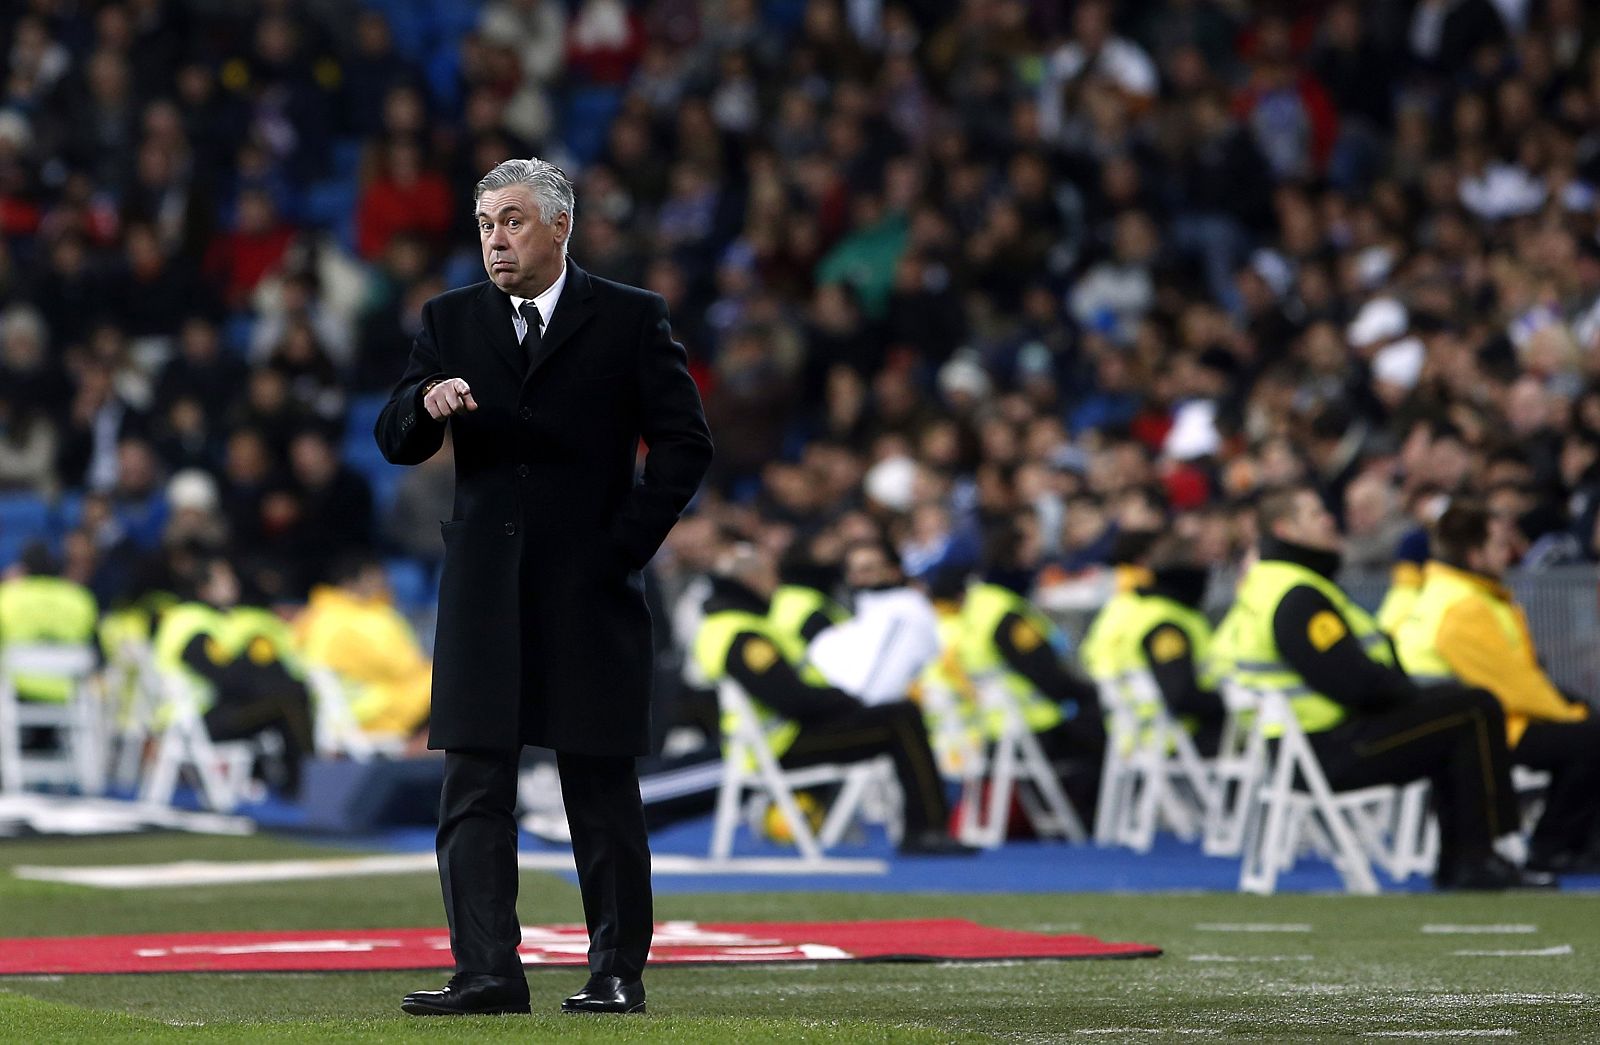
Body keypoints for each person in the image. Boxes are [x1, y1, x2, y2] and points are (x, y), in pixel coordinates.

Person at [376, 158, 713, 1017]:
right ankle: (487, 971)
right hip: (485, 587)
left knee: (598, 785)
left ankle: (615, 972)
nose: (496, 237)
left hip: (589, 585)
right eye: (487, 221)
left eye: (514, 220)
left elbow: (684, 445)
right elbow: (394, 438)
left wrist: (622, 547)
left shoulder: (634, 318)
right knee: (474, 785)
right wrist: (426, 402)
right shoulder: (448, 319)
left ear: (561, 226)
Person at [1210, 486, 1551, 890]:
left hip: (1296, 749)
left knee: (1456, 707)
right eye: (1316, 513)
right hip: (1330, 751)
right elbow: (1353, 684)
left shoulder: (1270, 583)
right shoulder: (1298, 595)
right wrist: (1409, 692)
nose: (1329, 519)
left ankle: (1468, 860)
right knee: (1474, 708)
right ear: (1286, 529)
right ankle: (1481, 857)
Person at [695, 543, 972, 855]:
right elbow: (793, 700)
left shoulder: (735, 623)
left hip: (776, 740)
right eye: (772, 577)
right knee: (901, 718)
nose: (777, 587)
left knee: (899, 716)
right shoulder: (742, 633)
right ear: (753, 580)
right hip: (781, 744)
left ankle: (927, 829)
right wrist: (846, 702)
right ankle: (927, 830)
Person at [1395, 502, 1600, 874]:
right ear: (1475, 556)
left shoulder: (1448, 592)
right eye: (1499, 545)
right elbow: (1511, 685)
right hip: (1487, 725)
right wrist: (1571, 713)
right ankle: (1553, 847)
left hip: (1470, 717)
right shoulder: (1465, 605)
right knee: (1590, 736)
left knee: (1585, 727)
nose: (1509, 553)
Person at [150, 556, 314, 797]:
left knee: (287, 694)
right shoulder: (193, 621)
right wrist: (262, 679)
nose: (233, 584)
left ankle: (287, 781)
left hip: (201, 713)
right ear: (204, 588)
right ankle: (307, 784)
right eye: (224, 579)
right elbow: (223, 675)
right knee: (289, 697)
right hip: (194, 720)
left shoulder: (203, 617)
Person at [1080, 536, 1226, 755]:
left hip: (1125, 736)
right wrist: (1228, 702)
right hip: (1171, 739)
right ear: (1188, 572)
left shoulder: (1120, 608)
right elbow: (1181, 696)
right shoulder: (1165, 622)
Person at [293, 552, 432, 742]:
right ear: (349, 582)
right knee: (451, 682)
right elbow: (316, 670)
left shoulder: (375, 612)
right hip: (373, 711)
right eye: (372, 577)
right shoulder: (333, 619)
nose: (383, 583)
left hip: (396, 698)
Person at [807, 536, 942, 704]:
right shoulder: (849, 625)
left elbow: (877, 691)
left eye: (868, 569)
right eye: (854, 571)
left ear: (893, 571)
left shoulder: (906, 608)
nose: (859, 577)